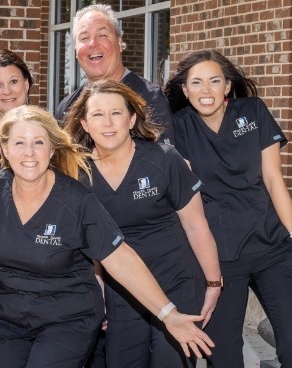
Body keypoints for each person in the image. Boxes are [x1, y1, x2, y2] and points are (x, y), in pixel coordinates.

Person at [0, 105, 213, 367]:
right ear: (3, 149)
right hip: (7, 318)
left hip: (66, 317)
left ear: (52, 149)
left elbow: (121, 259)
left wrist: (169, 315)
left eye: (38, 142)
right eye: (19, 143)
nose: (29, 152)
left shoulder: (76, 200)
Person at [164, 49, 292, 367]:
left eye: (215, 81)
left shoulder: (253, 111)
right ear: (185, 89)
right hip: (220, 259)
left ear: (227, 87)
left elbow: (274, 179)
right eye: (197, 82)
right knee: (224, 356)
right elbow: (190, 199)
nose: (206, 90)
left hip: (273, 247)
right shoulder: (179, 127)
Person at [64, 80, 222, 367]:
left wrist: (213, 283)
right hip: (121, 289)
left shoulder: (163, 159)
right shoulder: (77, 171)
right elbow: (90, 244)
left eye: (116, 113)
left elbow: (197, 225)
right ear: (85, 124)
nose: (108, 123)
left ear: (132, 118)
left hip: (177, 280)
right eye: (98, 114)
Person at [54, 4, 174, 145]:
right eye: (84, 38)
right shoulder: (67, 108)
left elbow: (163, 162)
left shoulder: (149, 99)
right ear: (75, 50)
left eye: (102, 35)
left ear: (119, 42)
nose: (93, 43)